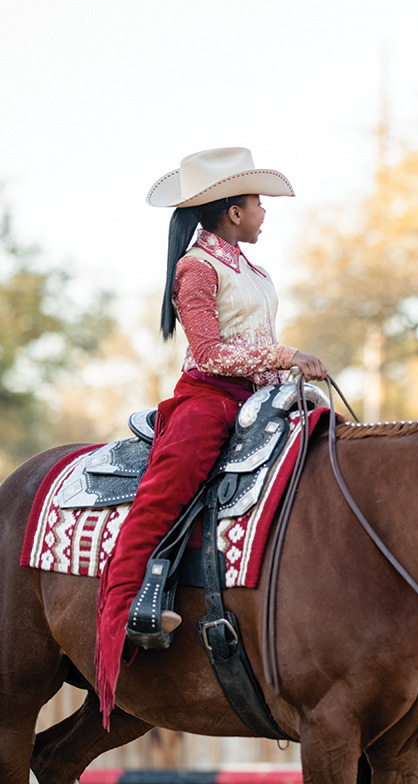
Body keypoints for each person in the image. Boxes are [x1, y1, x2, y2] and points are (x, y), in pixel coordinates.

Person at [94, 147, 327, 725]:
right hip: (209, 398)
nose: (264, 213)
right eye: (256, 203)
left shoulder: (250, 267)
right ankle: (129, 607)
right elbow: (209, 352)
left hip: (261, 395)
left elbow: (248, 336)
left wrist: (286, 375)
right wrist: (287, 355)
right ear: (231, 212)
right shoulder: (196, 267)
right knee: (165, 491)